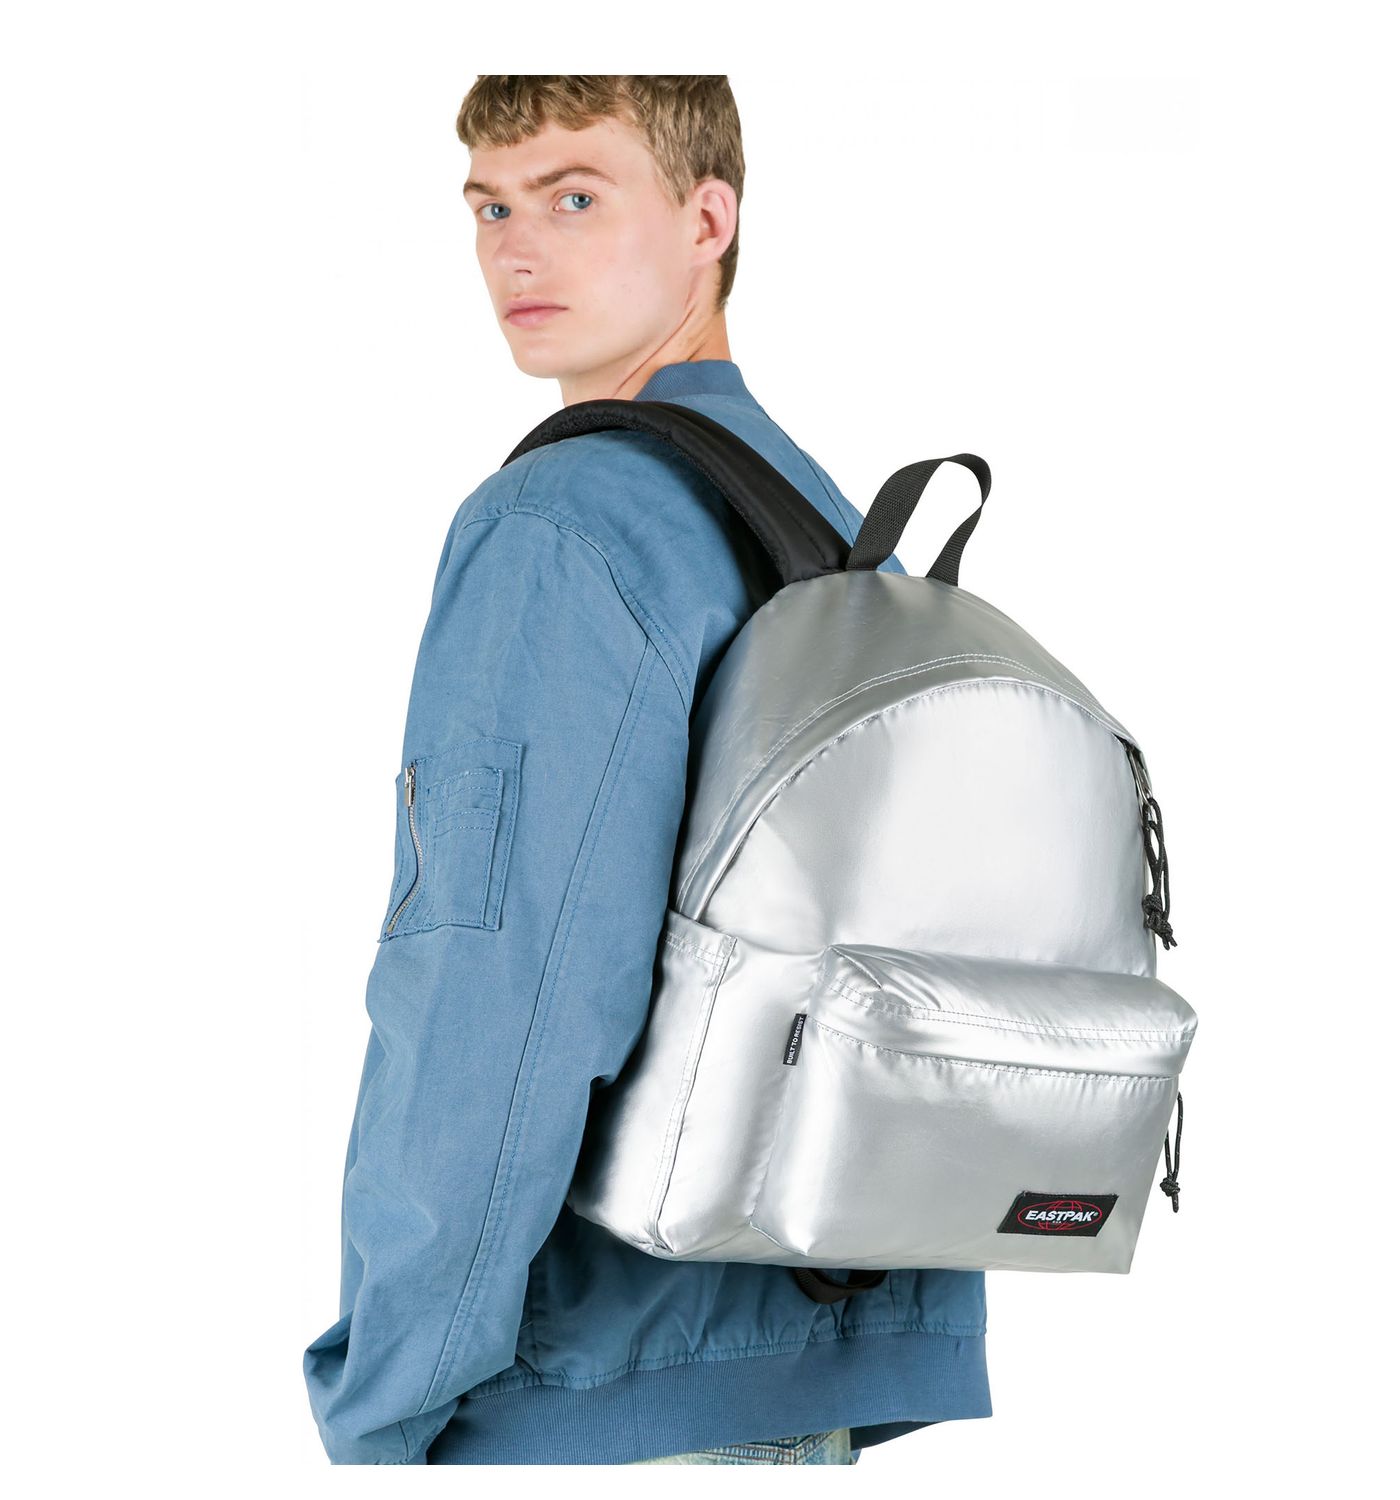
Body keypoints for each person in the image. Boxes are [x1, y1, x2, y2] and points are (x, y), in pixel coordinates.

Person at [302, 73, 991, 1466]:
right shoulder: (836, 532)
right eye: (491, 208)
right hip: (816, 1370)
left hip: (593, 1391)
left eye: (574, 197)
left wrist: (387, 1392)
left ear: (707, 219)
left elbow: (500, 989)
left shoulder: (563, 523)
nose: (517, 250)